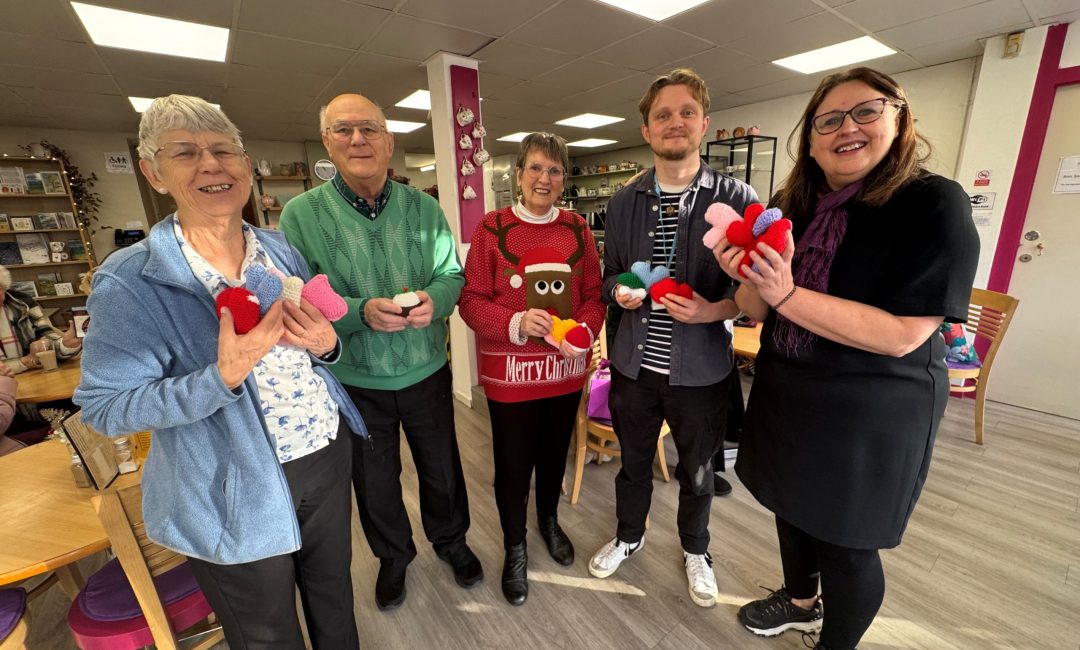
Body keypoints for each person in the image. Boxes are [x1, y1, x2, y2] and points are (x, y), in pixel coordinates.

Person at [74, 95, 366, 649]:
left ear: (245, 164)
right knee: (265, 632)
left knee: (333, 595)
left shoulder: (279, 250)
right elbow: (105, 408)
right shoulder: (131, 281)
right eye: (185, 152)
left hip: (324, 453)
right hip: (231, 484)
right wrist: (220, 377)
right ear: (154, 173)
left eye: (223, 149)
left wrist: (327, 347)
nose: (211, 164)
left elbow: (313, 347)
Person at [711, 68, 979, 650]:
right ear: (809, 140)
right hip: (790, 388)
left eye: (865, 111)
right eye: (827, 120)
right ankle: (801, 602)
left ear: (899, 116)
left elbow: (903, 334)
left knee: (847, 539)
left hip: (873, 406)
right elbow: (756, 307)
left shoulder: (934, 203)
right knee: (790, 505)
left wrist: (784, 294)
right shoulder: (792, 205)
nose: (846, 129)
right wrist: (747, 278)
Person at [280, 93, 479, 611]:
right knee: (374, 479)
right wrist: (359, 312)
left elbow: (451, 276)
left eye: (369, 129)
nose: (357, 139)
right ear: (327, 142)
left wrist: (433, 303)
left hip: (427, 370)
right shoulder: (301, 215)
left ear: (389, 141)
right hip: (354, 379)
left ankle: (451, 540)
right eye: (343, 130)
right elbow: (299, 292)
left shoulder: (425, 208)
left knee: (441, 466)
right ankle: (393, 557)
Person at [587, 68, 757, 608]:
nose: (675, 122)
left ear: (705, 123)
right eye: (663, 114)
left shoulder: (735, 198)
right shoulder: (622, 202)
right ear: (647, 129)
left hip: (701, 371)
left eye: (687, 112)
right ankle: (629, 536)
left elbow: (752, 295)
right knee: (633, 464)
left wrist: (713, 310)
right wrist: (620, 295)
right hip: (634, 369)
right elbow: (610, 275)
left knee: (699, 471)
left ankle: (696, 549)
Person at [458, 132, 605, 605]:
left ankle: (548, 522)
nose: (545, 178)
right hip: (511, 377)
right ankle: (515, 547)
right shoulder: (491, 228)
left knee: (552, 456)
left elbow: (593, 297)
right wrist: (517, 321)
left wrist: (578, 333)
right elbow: (470, 302)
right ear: (518, 174)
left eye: (555, 170)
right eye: (536, 168)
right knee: (513, 465)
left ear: (564, 178)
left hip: (563, 375)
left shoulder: (579, 230)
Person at [0, 265, 82, 374]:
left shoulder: (22, 304)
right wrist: (24, 362)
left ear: (4, 288)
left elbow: (47, 340)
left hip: (34, 380)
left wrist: (66, 345)